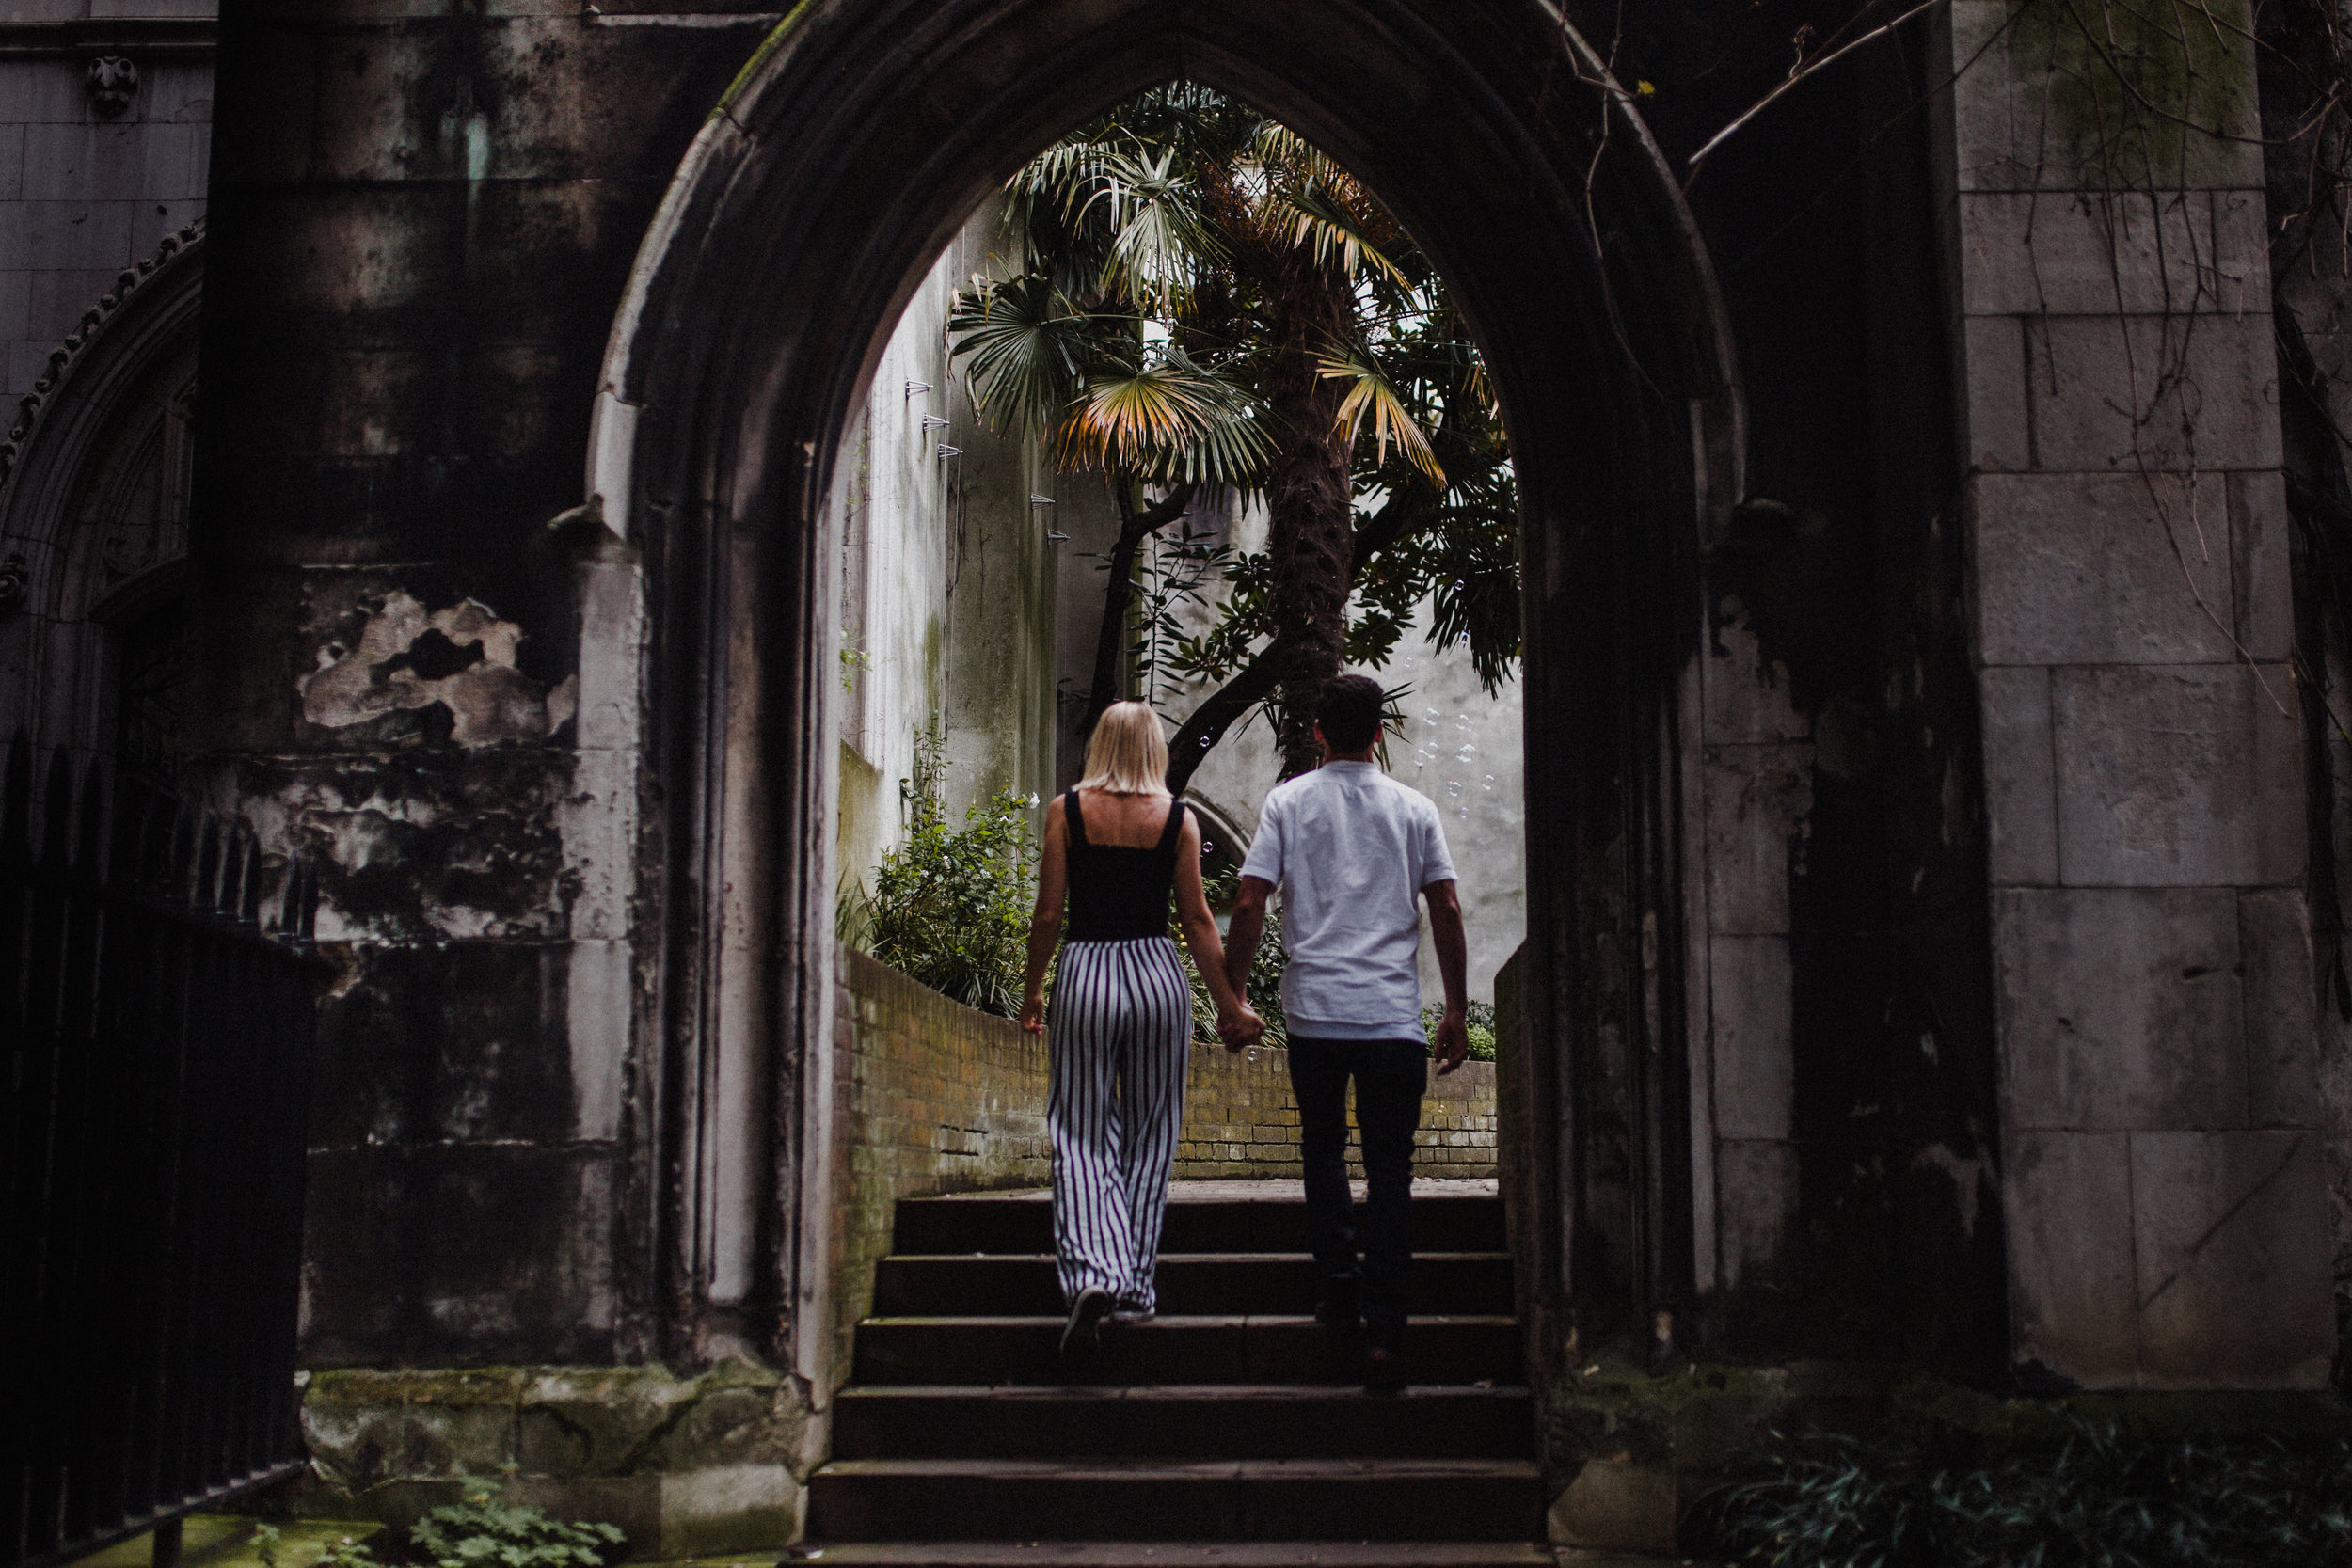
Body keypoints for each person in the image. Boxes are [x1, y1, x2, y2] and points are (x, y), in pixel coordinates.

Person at [1221, 673, 1470, 1392]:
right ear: (1380, 733)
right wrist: (1451, 1008)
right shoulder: (1414, 807)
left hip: (1317, 1012)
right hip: (1393, 1016)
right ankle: (1387, 1326)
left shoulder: (1288, 802)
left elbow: (1248, 899)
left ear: (1320, 731)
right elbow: (1447, 906)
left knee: (1324, 1147)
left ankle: (1337, 1289)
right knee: (1391, 1167)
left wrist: (1234, 994)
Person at [1020, 701, 1262, 1358]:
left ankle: (1094, 1272)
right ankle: (1132, 1285)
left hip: (1088, 970)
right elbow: (1198, 921)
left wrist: (1033, 988)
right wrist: (1231, 1005)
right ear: (1154, 748)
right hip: (1157, 975)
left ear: (1100, 744)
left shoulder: (1066, 811)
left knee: (1080, 1129)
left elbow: (1048, 914)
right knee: (1151, 1134)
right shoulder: (1178, 819)